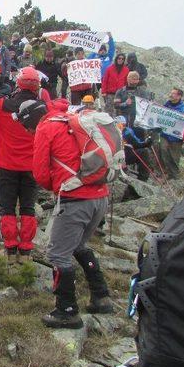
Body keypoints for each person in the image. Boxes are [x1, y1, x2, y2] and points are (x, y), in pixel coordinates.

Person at [32, 98, 113, 329]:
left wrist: (56, 185)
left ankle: (66, 311)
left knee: (58, 255)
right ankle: (101, 297)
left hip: (75, 198)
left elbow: (39, 173)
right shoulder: (74, 120)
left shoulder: (45, 127)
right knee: (79, 245)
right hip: (100, 195)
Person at [0, 68, 43, 263]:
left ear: (18, 83)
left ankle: (10, 250)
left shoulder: (5, 104)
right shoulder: (44, 107)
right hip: (31, 166)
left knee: (7, 208)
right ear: (37, 85)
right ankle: (26, 252)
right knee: (28, 208)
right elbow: (63, 107)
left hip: (7, 165)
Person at [159, 88, 184, 179]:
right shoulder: (166, 105)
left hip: (177, 137)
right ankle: (164, 171)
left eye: (173, 93)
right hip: (164, 134)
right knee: (163, 150)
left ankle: (174, 176)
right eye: (171, 93)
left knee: (174, 157)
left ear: (179, 96)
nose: (171, 95)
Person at [117, 115, 151, 182]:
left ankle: (142, 179)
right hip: (115, 156)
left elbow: (137, 143)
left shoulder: (127, 131)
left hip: (126, 154)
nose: (122, 126)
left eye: (124, 124)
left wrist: (147, 143)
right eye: (120, 124)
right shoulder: (111, 131)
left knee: (144, 152)